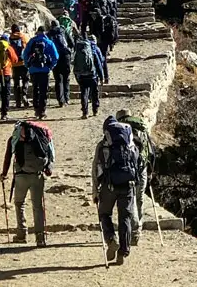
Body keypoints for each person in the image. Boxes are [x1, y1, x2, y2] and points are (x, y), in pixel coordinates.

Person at [92, 115, 140, 264]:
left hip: (109, 185)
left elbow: (96, 169)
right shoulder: (131, 144)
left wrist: (95, 190)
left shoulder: (103, 145)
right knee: (125, 217)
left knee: (104, 213)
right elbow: (138, 164)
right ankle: (123, 252)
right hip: (128, 185)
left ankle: (112, 239)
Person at [0, 119, 54, 246]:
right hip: (37, 176)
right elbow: (50, 153)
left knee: (19, 203)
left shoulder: (14, 139)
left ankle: (22, 234)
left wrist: (4, 174)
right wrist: (48, 168)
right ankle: (40, 238)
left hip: (20, 176)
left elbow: (8, 157)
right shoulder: (41, 137)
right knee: (38, 206)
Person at [115, 109, 155, 245]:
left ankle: (134, 229)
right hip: (142, 168)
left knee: (130, 199)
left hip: (128, 170)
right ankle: (139, 228)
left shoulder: (119, 130)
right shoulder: (141, 128)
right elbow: (151, 151)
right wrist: (150, 171)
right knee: (140, 198)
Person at [23, 26, 59, 119]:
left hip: (33, 70)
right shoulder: (49, 42)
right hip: (45, 70)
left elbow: (25, 54)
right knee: (43, 91)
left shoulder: (32, 41)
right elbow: (56, 56)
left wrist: (28, 65)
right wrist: (51, 66)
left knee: (35, 89)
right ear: (44, 32)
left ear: (37, 32)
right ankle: (42, 112)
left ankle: (36, 109)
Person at [72, 33, 108, 119]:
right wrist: (102, 76)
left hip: (81, 75)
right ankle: (95, 110)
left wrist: (77, 76)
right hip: (92, 75)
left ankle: (85, 112)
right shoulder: (94, 49)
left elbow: (74, 63)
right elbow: (99, 64)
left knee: (84, 93)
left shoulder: (79, 49)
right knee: (94, 92)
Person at [47, 21, 73, 107]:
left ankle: (61, 101)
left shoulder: (49, 34)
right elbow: (72, 43)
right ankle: (67, 98)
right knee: (66, 78)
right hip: (66, 57)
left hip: (55, 57)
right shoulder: (63, 31)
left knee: (58, 79)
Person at [7, 24, 29, 110]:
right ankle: (24, 94)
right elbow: (28, 49)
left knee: (16, 83)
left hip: (14, 64)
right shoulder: (24, 37)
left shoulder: (9, 39)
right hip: (23, 63)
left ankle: (18, 102)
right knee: (25, 80)